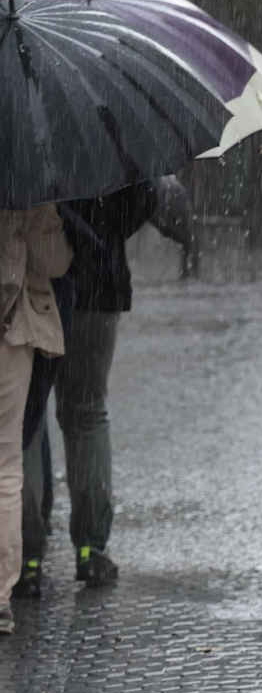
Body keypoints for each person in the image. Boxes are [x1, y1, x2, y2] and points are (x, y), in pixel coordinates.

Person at [40, 181, 158, 589]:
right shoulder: (111, 123)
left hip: (37, 284)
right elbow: (147, 198)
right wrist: (101, 232)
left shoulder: (23, 128)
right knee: (87, 415)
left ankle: (24, 558)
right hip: (98, 284)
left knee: (24, 420)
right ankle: (91, 548)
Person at [0, 205, 73, 634]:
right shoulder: (29, 180)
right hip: (13, 331)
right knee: (7, 463)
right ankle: (1, 597)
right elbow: (56, 261)